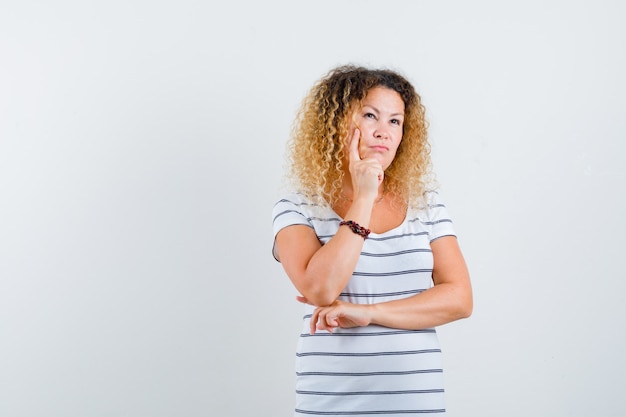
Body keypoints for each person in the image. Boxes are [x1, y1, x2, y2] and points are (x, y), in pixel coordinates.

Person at [271, 64, 473, 416]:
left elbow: (459, 299)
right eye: (370, 116)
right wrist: (364, 198)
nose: (384, 132)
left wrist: (369, 313)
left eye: (395, 121)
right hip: (331, 403)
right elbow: (321, 290)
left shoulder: (426, 204)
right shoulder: (298, 206)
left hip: (417, 404)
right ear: (336, 123)